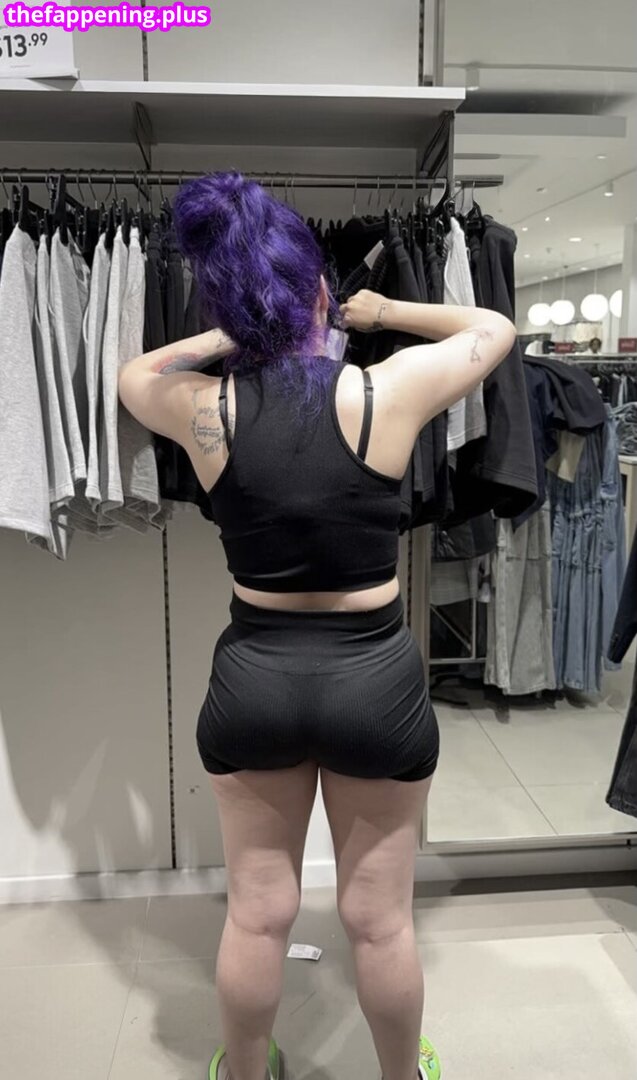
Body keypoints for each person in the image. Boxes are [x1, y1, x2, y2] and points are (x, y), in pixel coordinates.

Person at [118, 172, 516, 1080]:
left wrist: (233, 331)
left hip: (254, 681)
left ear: (231, 305)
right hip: (373, 684)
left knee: (256, 916)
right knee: (379, 924)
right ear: (321, 295)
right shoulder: (386, 391)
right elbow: (492, 329)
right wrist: (380, 310)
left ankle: (245, 1073)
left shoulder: (205, 409)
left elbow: (133, 375)